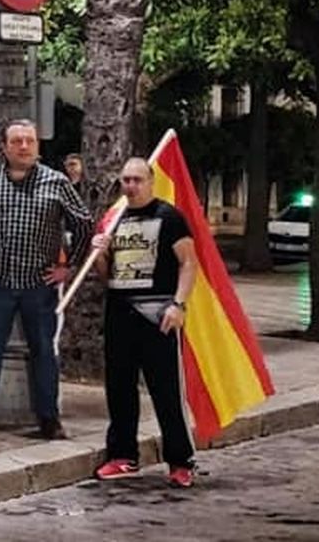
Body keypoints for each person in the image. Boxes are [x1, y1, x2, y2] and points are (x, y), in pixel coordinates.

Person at [0, 118, 91, 439]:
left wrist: (69, 266)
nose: (24, 147)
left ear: (38, 145)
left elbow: (84, 223)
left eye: (29, 140)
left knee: (43, 350)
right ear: (4, 147)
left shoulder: (56, 182)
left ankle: (48, 418)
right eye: (16, 141)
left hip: (39, 285)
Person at [89, 157, 200, 488]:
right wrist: (101, 253)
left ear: (151, 182)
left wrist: (178, 304)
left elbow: (189, 263)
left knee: (166, 392)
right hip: (120, 313)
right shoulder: (113, 219)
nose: (131, 186)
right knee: (119, 389)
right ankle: (122, 455)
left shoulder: (169, 217)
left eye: (137, 179)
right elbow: (106, 276)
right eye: (126, 180)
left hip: (158, 316)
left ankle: (181, 460)